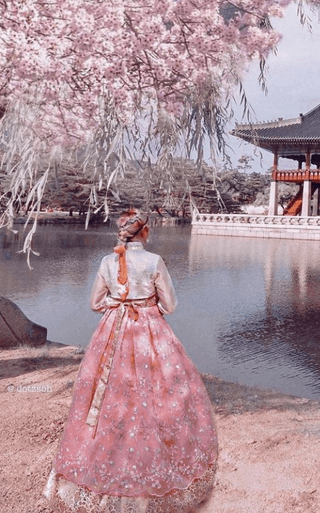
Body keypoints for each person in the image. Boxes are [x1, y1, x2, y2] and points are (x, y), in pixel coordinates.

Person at [44, 210, 218, 512]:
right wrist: (146, 305)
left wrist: (118, 303)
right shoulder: (154, 261)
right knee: (158, 391)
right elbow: (171, 305)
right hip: (149, 328)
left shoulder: (106, 262)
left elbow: (95, 303)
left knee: (106, 392)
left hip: (111, 331)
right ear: (145, 233)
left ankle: (101, 454)